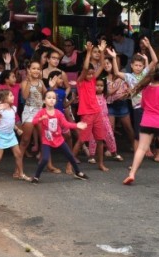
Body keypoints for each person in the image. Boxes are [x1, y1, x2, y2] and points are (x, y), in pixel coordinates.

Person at [31, 90, 88, 183]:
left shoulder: (58, 113)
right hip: (47, 140)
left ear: (56, 101)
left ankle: (78, 172)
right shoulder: (41, 112)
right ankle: (36, 177)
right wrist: (41, 119)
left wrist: (77, 125)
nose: (51, 100)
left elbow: (66, 124)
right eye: (49, 97)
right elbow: (34, 121)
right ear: (44, 100)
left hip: (58, 139)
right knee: (45, 158)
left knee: (70, 155)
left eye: (53, 98)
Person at [71, 41, 108, 172]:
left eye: (92, 73)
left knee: (100, 139)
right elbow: (86, 68)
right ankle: (70, 164)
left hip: (97, 112)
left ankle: (101, 164)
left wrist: (103, 51)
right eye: (89, 73)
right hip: (86, 113)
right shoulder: (80, 82)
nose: (91, 75)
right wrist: (88, 52)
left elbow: (102, 65)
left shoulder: (92, 80)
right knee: (81, 140)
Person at [0, 89, 30, 183]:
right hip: (1, 136)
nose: (13, 97)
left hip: (11, 135)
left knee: (18, 154)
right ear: (4, 98)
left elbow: (10, 122)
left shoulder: (14, 108)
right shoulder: (0, 111)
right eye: (10, 95)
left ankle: (21, 174)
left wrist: (17, 129)